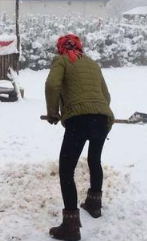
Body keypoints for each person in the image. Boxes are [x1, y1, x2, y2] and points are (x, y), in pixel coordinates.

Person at [44, 34, 114, 241]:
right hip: (101, 118)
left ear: (60, 48)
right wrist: (98, 111)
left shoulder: (62, 60)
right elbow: (106, 95)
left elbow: (52, 85)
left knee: (66, 169)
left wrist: (52, 112)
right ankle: (94, 204)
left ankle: (71, 227)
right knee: (94, 160)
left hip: (79, 119)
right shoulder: (92, 63)